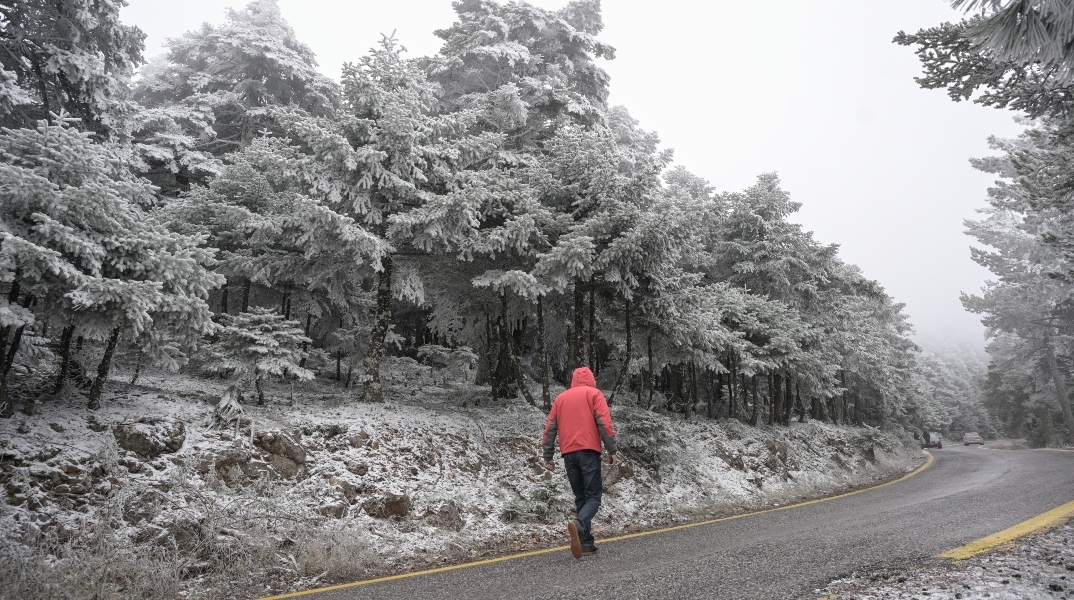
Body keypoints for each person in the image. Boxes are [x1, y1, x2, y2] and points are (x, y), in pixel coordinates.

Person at [541, 366, 618, 559]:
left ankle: (586, 544)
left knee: (581, 498)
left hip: (568, 454)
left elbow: (550, 428)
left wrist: (548, 456)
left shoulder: (561, 398)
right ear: (591, 379)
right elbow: (603, 422)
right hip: (588, 451)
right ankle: (579, 523)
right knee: (593, 497)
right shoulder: (594, 394)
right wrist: (612, 450)